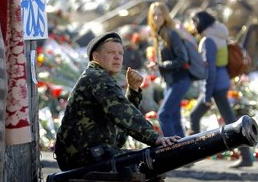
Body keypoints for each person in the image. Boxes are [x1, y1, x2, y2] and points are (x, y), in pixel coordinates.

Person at [54, 31, 180, 171]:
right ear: (96, 57)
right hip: (82, 156)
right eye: (111, 52)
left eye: (120, 53)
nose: (117, 57)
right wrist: (155, 137)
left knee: (150, 160)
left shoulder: (100, 77)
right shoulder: (96, 77)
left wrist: (133, 90)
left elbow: (120, 130)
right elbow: (122, 112)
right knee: (149, 161)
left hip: (89, 153)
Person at [188, 11, 253, 168]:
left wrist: (207, 95)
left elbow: (210, 70)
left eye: (194, 23)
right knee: (230, 119)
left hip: (215, 85)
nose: (193, 26)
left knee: (195, 116)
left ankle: (192, 156)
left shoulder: (208, 40)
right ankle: (246, 157)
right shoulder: (220, 36)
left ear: (200, 23)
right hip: (223, 81)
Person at [146, 2, 192, 138]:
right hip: (170, 82)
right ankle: (186, 153)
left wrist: (160, 66)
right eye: (154, 15)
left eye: (160, 14)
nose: (156, 18)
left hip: (180, 80)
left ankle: (172, 152)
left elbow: (183, 58)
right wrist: (156, 64)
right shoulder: (159, 34)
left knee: (163, 115)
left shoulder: (172, 33)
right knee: (174, 119)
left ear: (166, 15)